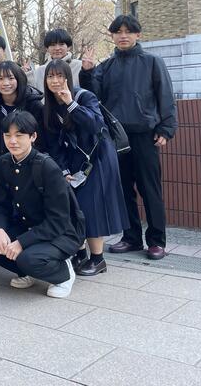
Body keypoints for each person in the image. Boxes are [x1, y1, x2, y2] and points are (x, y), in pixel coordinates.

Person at [80, 14, 177, 260]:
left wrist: (166, 128)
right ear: (112, 36)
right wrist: (87, 72)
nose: (123, 36)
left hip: (145, 135)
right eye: (118, 32)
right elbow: (93, 96)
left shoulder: (152, 62)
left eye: (128, 31)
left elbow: (166, 95)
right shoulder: (106, 66)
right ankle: (131, 237)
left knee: (150, 189)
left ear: (138, 34)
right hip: (116, 137)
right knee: (123, 189)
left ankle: (157, 241)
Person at [0, 111, 80, 298]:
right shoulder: (2, 164)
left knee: (28, 258)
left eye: (19, 135)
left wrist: (21, 242)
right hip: (26, 226)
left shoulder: (47, 167)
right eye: (7, 135)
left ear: (33, 137)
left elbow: (58, 220)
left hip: (58, 232)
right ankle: (27, 272)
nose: (12, 141)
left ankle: (63, 273)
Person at [43, 60, 128, 276]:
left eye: (60, 76)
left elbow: (95, 125)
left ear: (68, 78)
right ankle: (80, 254)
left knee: (91, 207)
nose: (55, 81)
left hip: (98, 158)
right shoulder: (49, 106)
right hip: (74, 161)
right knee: (74, 207)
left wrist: (71, 104)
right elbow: (53, 144)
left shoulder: (84, 96)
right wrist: (63, 170)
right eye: (50, 76)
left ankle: (98, 259)